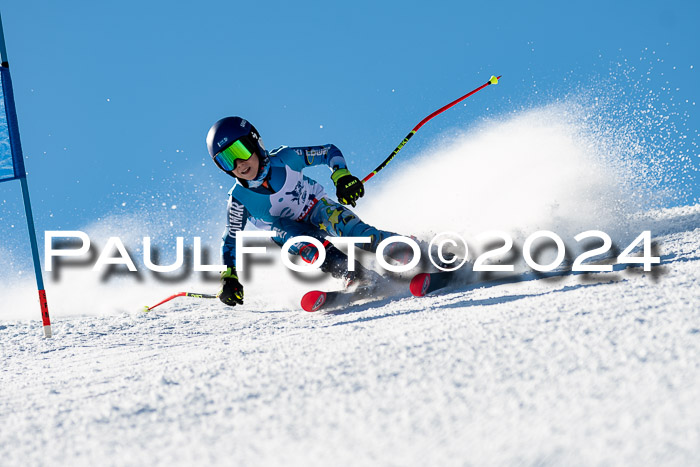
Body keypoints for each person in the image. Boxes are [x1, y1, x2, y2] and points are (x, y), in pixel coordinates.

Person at [206, 116, 410, 307]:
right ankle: (356, 275)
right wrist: (229, 277)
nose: (238, 164)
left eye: (239, 151)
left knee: (356, 233)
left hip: (318, 209)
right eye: (226, 160)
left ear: (255, 143)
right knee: (292, 237)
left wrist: (342, 176)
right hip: (290, 231)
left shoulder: (286, 159)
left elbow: (328, 151)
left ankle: (407, 250)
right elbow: (230, 240)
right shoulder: (239, 199)